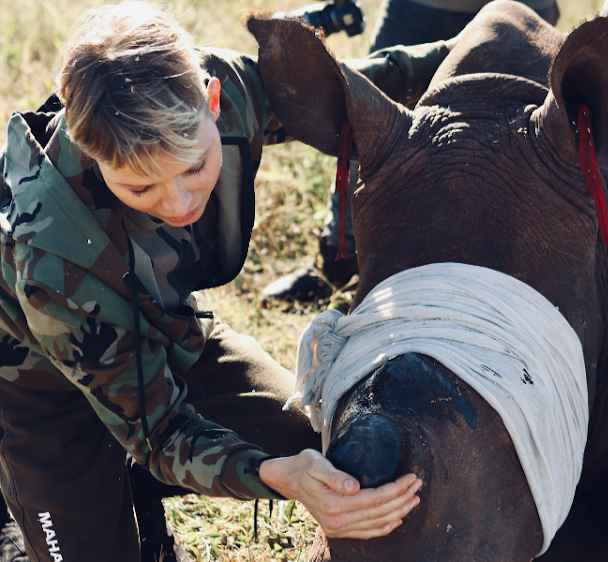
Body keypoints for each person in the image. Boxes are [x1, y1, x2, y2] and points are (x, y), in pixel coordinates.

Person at [0, 2, 464, 560]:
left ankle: (133, 480)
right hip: (39, 382)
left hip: (164, 330)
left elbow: (349, 92)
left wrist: (467, 63)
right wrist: (274, 477)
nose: (178, 203)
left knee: (316, 443)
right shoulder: (54, 258)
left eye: (194, 168)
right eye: (140, 191)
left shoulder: (230, 90)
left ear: (212, 102)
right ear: (94, 158)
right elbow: (158, 430)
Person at [261, 0, 560, 302]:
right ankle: (340, 261)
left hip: (522, 10)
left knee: (514, 151)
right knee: (365, 126)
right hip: (414, 8)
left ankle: (491, 285)